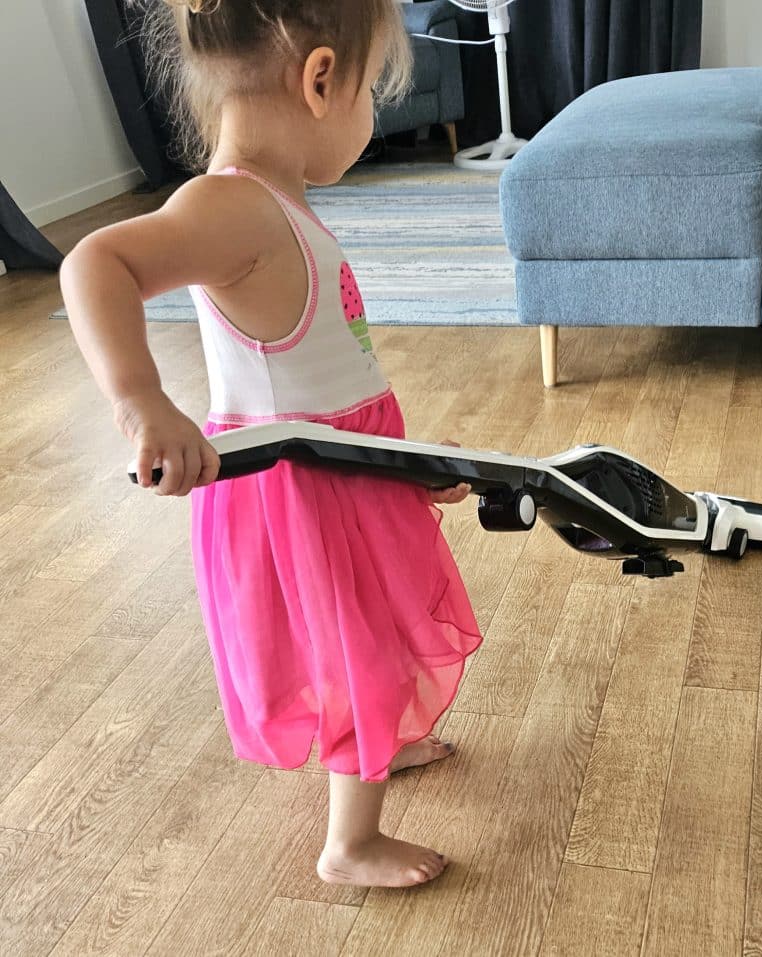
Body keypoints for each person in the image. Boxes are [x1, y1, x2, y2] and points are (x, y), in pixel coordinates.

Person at [60, 0, 481, 889]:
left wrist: (408, 466)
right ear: (321, 79)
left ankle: (371, 743)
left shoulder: (273, 203)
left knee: (371, 641)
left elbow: (332, 378)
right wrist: (141, 401)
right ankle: (350, 844)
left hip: (346, 469)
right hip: (302, 491)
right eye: (373, 90)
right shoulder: (235, 208)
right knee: (357, 645)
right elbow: (95, 261)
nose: (373, 114)